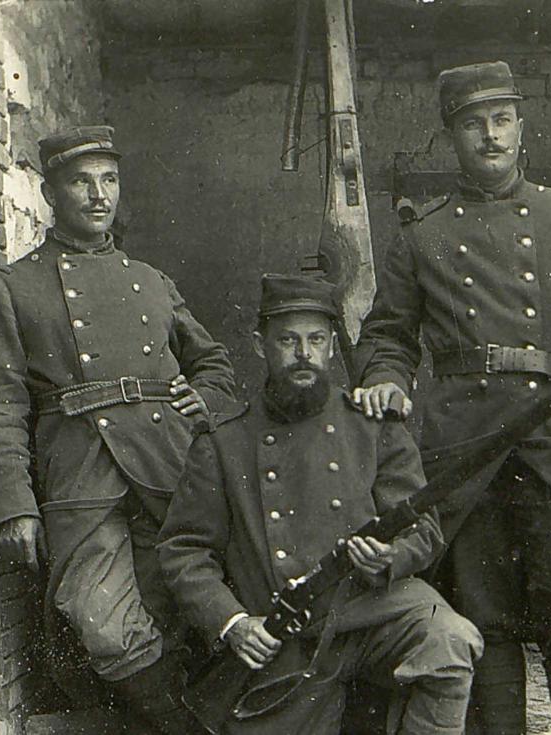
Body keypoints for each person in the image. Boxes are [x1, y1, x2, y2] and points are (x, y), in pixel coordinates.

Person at [353, 61, 551, 734]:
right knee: (486, 615)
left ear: (521, 127)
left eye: (501, 120)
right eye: (473, 123)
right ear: (451, 136)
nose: (490, 136)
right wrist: (386, 377)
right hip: (465, 447)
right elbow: (388, 335)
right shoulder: (421, 237)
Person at [0, 125, 235, 733]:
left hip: (168, 459)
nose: (99, 195)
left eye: (109, 180)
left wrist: (206, 403)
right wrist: (14, 504)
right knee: (104, 622)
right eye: (81, 182)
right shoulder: (15, 288)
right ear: (48, 193)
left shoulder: (149, 278)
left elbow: (214, 364)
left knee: (189, 610)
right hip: (80, 472)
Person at [158, 274, 483, 734]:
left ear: (331, 346)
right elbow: (184, 549)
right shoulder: (224, 440)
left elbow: (424, 528)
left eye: (315, 340)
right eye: (288, 341)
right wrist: (232, 623)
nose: (303, 355)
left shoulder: (371, 424)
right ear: (259, 345)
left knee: (450, 640)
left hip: (374, 609)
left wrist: (392, 557)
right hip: (283, 635)